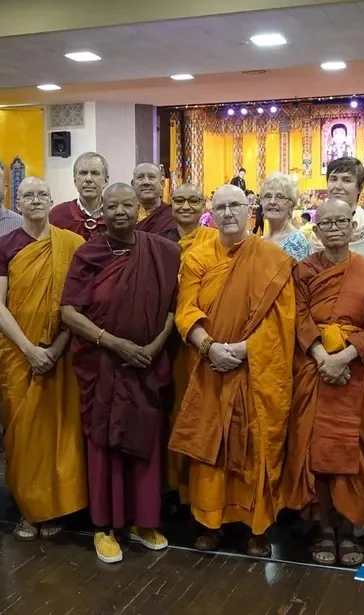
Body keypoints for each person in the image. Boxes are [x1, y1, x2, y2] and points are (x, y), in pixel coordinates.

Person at [169, 184, 295, 558]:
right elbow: (186, 310)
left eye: (235, 206)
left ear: (249, 210)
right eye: (221, 207)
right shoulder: (197, 257)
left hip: (255, 370)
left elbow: (282, 320)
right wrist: (209, 346)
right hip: (208, 367)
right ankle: (211, 523)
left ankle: (256, 528)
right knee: (211, 445)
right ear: (212, 213)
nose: (228, 213)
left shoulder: (272, 258)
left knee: (255, 445)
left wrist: (244, 350)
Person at [61, 183, 180, 564]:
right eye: (112, 206)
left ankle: (144, 521)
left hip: (146, 364)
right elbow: (69, 312)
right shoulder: (88, 254)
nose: (120, 212)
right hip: (103, 365)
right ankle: (104, 527)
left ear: (138, 209)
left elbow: (172, 308)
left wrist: (154, 346)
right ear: (103, 211)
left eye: (127, 205)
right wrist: (113, 343)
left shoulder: (162, 252)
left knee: (145, 439)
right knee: (105, 443)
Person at [283, 199, 364, 567]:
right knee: (312, 447)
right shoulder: (303, 271)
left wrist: (345, 357)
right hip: (313, 366)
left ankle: (349, 529)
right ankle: (323, 528)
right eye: (326, 224)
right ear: (316, 231)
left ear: (353, 227)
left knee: (358, 448)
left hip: (360, 369)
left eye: (340, 222)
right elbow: (298, 316)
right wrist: (323, 357)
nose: (334, 229)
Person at [0, 177, 88, 541]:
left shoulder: (72, 244)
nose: (35, 200)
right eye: (27, 195)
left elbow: (80, 303)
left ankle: (60, 506)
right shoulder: (5, 245)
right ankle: (29, 511)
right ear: (18, 202)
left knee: (61, 431)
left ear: (51, 200)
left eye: (41, 195)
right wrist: (30, 350)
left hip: (62, 354)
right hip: (18, 354)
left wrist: (56, 348)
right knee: (22, 434)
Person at [167, 183, 215, 499]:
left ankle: (198, 489)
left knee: (199, 411)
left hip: (203, 336)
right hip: (167, 339)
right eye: (179, 200)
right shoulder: (160, 240)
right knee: (173, 409)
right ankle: (174, 487)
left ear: (203, 206)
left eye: (193, 201)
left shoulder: (214, 241)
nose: (186, 206)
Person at [310, 158, 364, 268]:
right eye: (333, 179)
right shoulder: (319, 228)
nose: (337, 186)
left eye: (346, 180)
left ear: (360, 187)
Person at [50, 151, 108, 241]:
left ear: (106, 181)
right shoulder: (57, 215)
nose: (88, 179)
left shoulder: (117, 215)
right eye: (83, 173)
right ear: (75, 180)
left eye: (95, 173)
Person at [260, 173, 310, 261]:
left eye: (280, 197)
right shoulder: (263, 239)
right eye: (268, 196)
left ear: (291, 205)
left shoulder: (296, 242)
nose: (272, 201)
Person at [133, 162, 177, 238]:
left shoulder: (173, 215)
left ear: (162, 183)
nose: (146, 182)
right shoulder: (126, 215)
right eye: (140, 177)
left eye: (151, 177)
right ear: (133, 184)